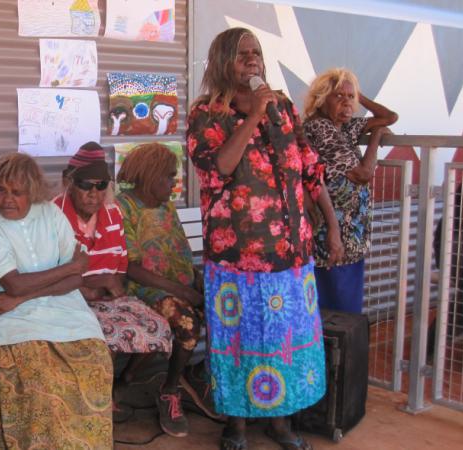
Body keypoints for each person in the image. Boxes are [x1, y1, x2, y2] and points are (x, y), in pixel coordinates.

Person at [186, 28, 344, 450]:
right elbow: (218, 166)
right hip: (236, 256)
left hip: (291, 255)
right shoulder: (206, 113)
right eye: (242, 55)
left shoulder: (284, 108)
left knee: (285, 343)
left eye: (256, 52)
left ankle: (281, 424)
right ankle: (235, 427)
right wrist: (253, 115)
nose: (252, 60)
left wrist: (331, 224)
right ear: (222, 61)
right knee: (238, 342)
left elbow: (310, 170)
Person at [0, 153, 113, 449]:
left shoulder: (50, 214)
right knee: (42, 376)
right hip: (10, 317)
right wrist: (70, 266)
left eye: (17, 192)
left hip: (61, 308)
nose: (7, 199)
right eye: (1, 190)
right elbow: (14, 282)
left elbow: (75, 281)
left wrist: (22, 297)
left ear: (32, 192)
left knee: (96, 363)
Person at [53, 141, 173, 423]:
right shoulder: (52, 215)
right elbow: (52, 274)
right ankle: (92, 403)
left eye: (101, 184)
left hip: (107, 297)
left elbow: (119, 267)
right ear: (70, 183)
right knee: (95, 335)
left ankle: (116, 389)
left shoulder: (113, 213)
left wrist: (105, 283)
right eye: (85, 185)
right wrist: (93, 286)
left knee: (159, 328)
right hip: (67, 300)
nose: (94, 193)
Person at [115, 143, 204, 438]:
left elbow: (181, 251)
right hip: (142, 288)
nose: (173, 183)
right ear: (150, 177)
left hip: (177, 286)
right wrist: (182, 290)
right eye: (168, 177)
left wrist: (197, 279)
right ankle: (169, 391)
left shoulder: (165, 206)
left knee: (226, 308)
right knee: (187, 324)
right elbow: (132, 268)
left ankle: (201, 377)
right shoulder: (124, 207)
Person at [303, 68, 397, 313]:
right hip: (332, 234)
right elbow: (362, 173)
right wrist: (376, 137)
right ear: (322, 99)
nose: (347, 103)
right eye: (338, 97)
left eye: (350, 97)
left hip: (350, 234)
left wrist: (358, 94)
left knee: (343, 304)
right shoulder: (320, 128)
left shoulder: (344, 127)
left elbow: (390, 116)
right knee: (336, 307)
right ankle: (331, 351)